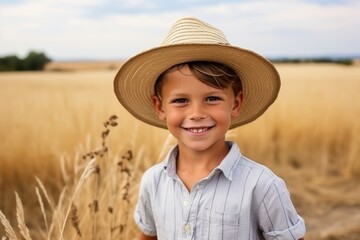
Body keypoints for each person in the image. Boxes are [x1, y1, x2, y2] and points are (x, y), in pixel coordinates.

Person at [113, 17, 306, 240]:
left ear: (235, 104)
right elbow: (148, 236)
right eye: (180, 101)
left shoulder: (262, 185)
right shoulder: (153, 181)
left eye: (212, 98)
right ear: (159, 107)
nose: (196, 114)